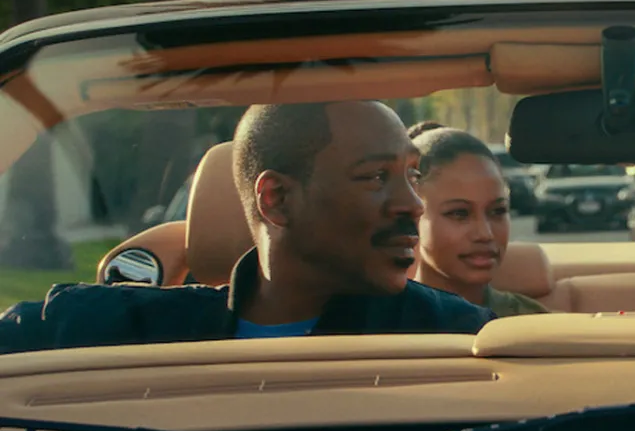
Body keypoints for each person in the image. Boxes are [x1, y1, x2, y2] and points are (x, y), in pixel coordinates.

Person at [0, 101, 495, 354]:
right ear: (276, 199)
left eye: (411, 176)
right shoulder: (114, 330)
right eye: (375, 177)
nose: (412, 205)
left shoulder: (454, 338)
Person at [407, 121, 549, 317]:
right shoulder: (374, 326)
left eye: (497, 211)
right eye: (459, 214)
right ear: (411, 217)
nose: (485, 234)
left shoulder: (532, 325)